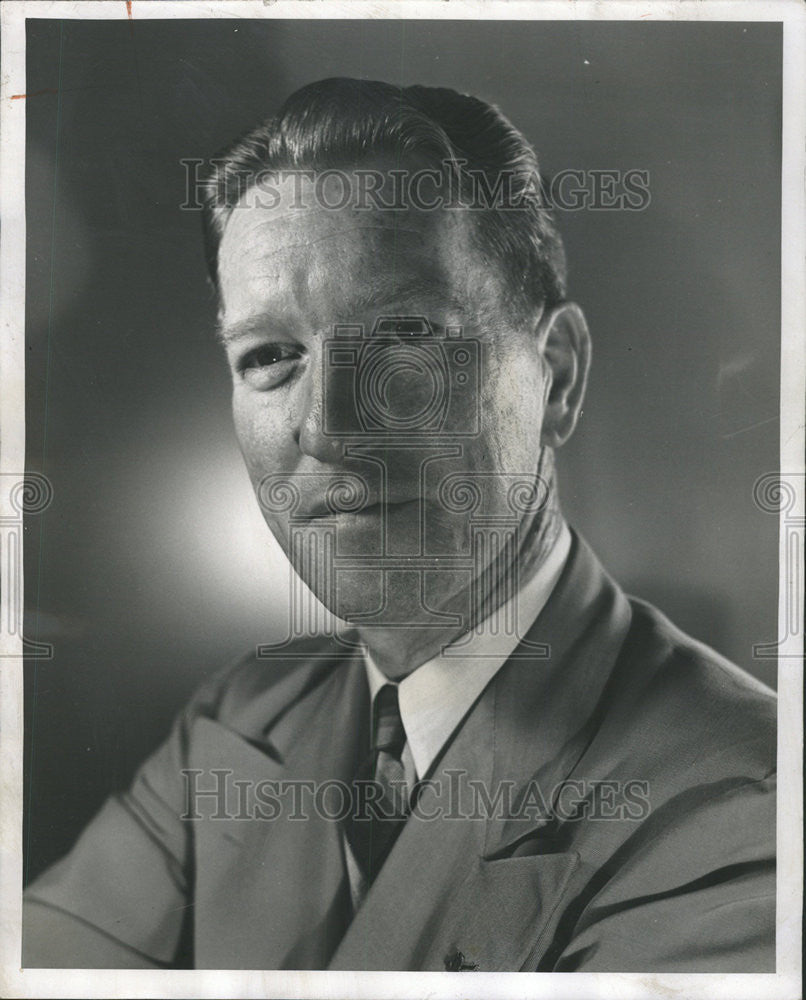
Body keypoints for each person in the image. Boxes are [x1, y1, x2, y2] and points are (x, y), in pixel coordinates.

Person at [22, 78, 776, 972]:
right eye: (269, 357)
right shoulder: (238, 721)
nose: (330, 425)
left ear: (557, 379)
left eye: (404, 335)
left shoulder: (744, 808)